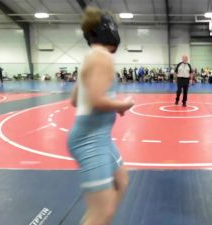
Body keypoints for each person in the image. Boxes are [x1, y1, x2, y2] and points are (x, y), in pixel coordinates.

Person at [67, 7, 134, 225]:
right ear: (108, 30)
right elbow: (96, 99)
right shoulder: (102, 58)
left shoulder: (91, 57)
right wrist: (123, 104)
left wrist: (115, 106)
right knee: (102, 212)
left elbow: (76, 100)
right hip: (90, 141)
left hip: (100, 137)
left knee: (121, 181)